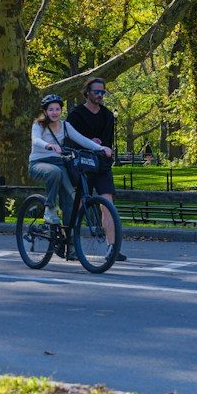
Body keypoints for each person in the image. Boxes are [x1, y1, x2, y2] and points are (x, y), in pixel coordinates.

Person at [64, 76, 125, 261]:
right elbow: (69, 140)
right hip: (81, 164)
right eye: (96, 92)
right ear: (87, 93)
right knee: (79, 205)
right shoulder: (76, 115)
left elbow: (108, 141)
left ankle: (112, 247)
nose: (100, 95)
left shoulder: (107, 115)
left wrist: (103, 148)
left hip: (101, 165)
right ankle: (72, 245)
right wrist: (90, 142)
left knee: (108, 203)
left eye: (102, 92)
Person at [28, 94, 106, 238]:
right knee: (55, 172)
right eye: (51, 109)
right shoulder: (38, 125)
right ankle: (50, 208)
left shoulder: (65, 126)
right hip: (38, 163)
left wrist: (100, 148)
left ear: (61, 110)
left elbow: (81, 139)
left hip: (60, 164)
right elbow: (36, 140)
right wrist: (49, 146)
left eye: (57, 109)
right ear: (45, 112)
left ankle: (69, 243)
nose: (54, 112)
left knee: (71, 198)